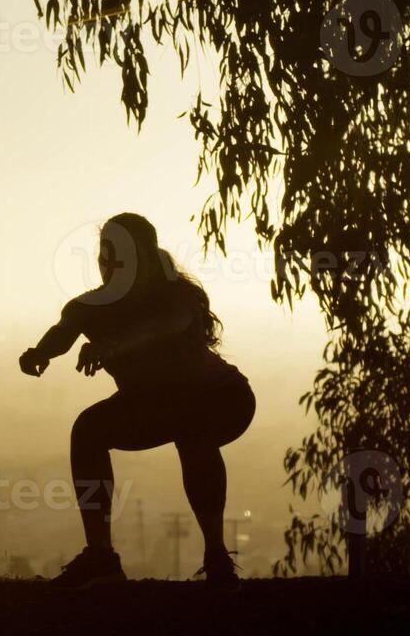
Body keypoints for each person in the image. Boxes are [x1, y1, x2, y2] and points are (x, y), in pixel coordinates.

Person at [20, 213, 256, 589]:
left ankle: (217, 557)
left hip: (221, 398)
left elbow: (162, 329)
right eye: (104, 255)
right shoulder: (89, 306)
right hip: (156, 405)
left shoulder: (176, 296)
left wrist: (114, 345)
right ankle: (100, 555)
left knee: (193, 431)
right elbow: (63, 331)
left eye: (120, 256)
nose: (109, 265)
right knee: (88, 430)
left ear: (145, 258)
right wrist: (41, 351)